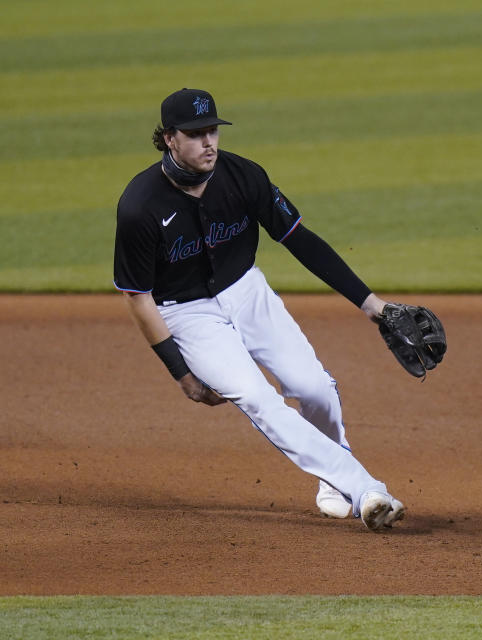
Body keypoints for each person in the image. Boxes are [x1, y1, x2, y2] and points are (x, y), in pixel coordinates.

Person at [113, 88, 406, 531]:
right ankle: (364, 487)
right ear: (169, 138)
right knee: (258, 399)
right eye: (195, 134)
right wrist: (182, 374)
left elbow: (299, 239)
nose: (208, 142)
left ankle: (332, 479)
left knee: (314, 389)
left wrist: (372, 305)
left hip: (248, 292)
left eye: (212, 130)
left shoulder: (243, 176)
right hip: (186, 313)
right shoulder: (139, 207)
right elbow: (138, 295)